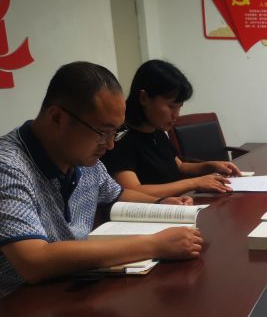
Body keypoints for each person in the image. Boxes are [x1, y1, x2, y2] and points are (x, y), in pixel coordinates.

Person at [0, 62, 203, 299]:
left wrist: (160, 204)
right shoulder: (8, 166)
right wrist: (155, 245)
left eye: (115, 132)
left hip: (71, 288)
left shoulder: (83, 159)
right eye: (102, 132)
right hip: (18, 305)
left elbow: (117, 194)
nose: (110, 145)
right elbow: (34, 261)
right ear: (57, 118)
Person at [102, 59, 241, 198]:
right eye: (171, 106)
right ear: (144, 98)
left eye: (179, 107)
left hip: (176, 203)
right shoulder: (119, 138)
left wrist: (209, 166)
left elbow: (179, 166)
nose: (176, 115)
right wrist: (195, 183)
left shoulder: (156, 130)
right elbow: (132, 191)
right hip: (152, 209)